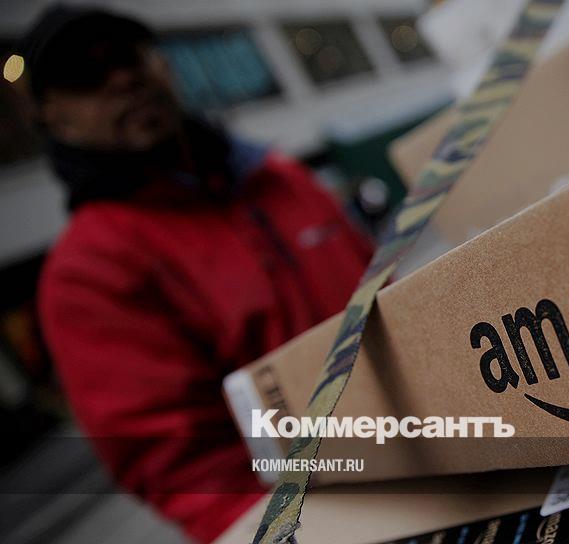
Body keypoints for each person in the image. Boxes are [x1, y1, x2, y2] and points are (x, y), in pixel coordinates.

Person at [19, 6, 373, 542]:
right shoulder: (89, 271)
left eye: (129, 57)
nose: (123, 79)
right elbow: (188, 472)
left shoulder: (277, 177)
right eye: (87, 76)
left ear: (162, 65)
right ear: (53, 118)